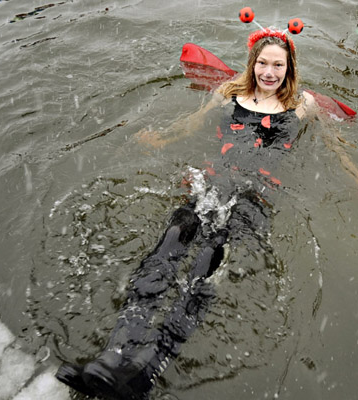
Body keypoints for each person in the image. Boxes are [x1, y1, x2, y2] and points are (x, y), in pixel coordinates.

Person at [55, 23, 352, 400]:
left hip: (256, 198)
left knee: (205, 264)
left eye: (278, 65)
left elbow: (334, 142)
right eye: (263, 63)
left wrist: (352, 174)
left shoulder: (302, 105)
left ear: (290, 68)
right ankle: (114, 357)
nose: (269, 73)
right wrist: (162, 137)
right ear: (252, 63)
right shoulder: (227, 93)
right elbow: (191, 125)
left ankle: (148, 368)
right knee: (169, 244)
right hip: (212, 185)